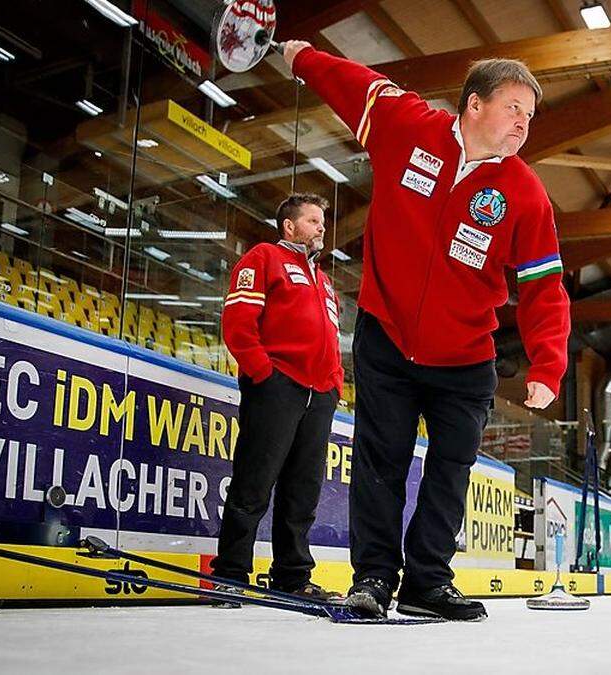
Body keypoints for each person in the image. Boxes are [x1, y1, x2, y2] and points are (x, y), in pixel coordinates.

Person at [283, 42, 571, 621]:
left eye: (530, 116)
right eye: (514, 107)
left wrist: (549, 363)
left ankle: (427, 583)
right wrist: (300, 55)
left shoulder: (526, 194)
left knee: (449, 471)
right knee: (380, 462)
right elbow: (355, 83)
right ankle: (372, 579)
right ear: (473, 105)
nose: (523, 122)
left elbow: (544, 288)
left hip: (465, 356)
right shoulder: (409, 126)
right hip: (387, 336)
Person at [212, 193, 344, 601]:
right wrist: (264, 375)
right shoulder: (264, 257)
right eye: (313, 221)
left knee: (302, 491)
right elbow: (237, 324)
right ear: (289, 226)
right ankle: (230, 573)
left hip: (318, 395)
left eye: (322, 222)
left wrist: (334, 385)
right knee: (254, 483)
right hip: (277, 387)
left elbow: (333, 340)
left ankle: (292, 575)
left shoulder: (324, 282)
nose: (321, 228)